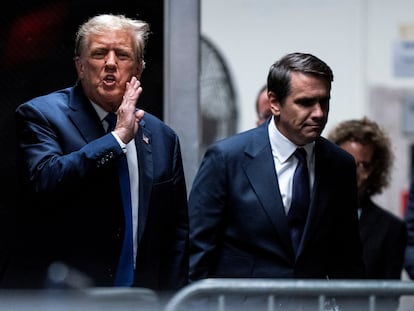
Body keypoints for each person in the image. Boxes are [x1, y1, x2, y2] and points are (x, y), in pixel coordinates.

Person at [6, 14, 189, 292]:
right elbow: (46, 180)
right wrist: (116, 139)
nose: (111, 63)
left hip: (141, 298)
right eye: (99, 53)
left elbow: (176, 233)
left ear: (138, 70)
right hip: (65, 296)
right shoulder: (40, 115)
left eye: (123, 55)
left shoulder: (163, 137)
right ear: (80, 66)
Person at [188, 52, 365, 309]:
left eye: (324, 102)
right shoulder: (227, 159)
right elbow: (198, 252)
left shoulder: (340, 165)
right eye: (305, 102)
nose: (318, 113)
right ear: (274, 102)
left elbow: (347, 259)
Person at [328, 117, 407, 280]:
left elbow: (388, 297)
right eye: (346, 161)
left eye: (363, 166)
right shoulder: (308, 212)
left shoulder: (391, 228)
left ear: (375, 171)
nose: (353, 172)